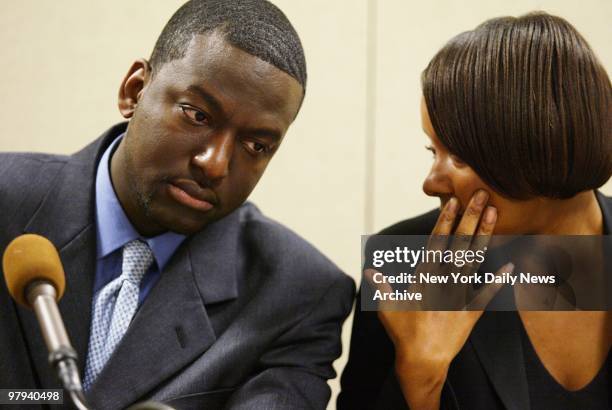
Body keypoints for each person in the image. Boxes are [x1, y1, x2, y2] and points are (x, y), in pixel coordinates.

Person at [0, 1, 355, 409]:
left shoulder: (298, 294)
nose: (215, 165)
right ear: (134, 90)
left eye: (256, 145)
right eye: (197, 115)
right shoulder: (7, 199)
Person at [338, 12, 611, 410]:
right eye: (434, 151)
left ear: (542, 147)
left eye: (460, 156)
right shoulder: (400, 263)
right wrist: (418, 380)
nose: (430, 183)